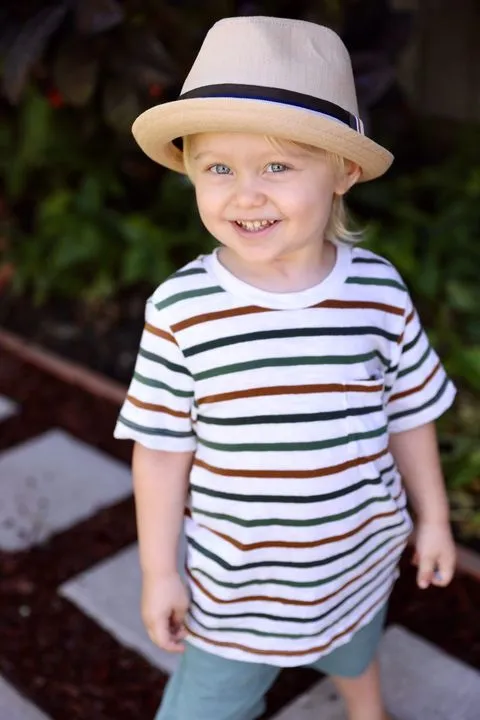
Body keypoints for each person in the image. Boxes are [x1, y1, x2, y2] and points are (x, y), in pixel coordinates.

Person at [114, 16, 457, 720]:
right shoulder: (184, 309)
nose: (246, 193)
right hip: (239, 590)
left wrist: (434, 519)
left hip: (358, 555)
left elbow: (411, 413)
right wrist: (159, 573)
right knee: (205, 708)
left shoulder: (377, 289)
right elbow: (159, 454)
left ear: (343, 172)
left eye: (277, 165)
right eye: (219, 168)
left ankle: (367, 709)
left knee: (355, 646)